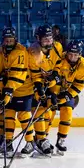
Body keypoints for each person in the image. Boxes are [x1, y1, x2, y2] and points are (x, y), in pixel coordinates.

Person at [0, 27, 35, 157]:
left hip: (23, 89)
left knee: (24, 116)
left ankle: (30, 143)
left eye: (11, 40)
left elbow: (17, 75)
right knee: (8, 116)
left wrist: (7, 91)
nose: (9, 42)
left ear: (15, 40)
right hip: (8, 89)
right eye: (7, 40)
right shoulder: (2, 51)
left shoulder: (20, 52)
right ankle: (8, 143)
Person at [50, 40, 84, 155]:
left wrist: (67, 95)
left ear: (80, 54)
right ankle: (42, 139)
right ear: (66, 53)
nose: (72, 57)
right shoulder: (60, 60)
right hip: (52, 90)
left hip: (68, 91)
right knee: (49, 114)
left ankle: (61, 140)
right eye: (70, 54)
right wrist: (55, 94)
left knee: (67, 112)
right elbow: (55, 78)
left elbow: (79, 84)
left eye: (75, 54)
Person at [27, 24, 61, 155]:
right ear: (38, 39)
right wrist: (39, 87)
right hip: (36, 83)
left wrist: (56, 74)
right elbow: (35, 74)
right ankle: (40, 139)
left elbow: (59, 63)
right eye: (45, 39)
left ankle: (42, 136)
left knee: (51, 108)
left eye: (50, 38)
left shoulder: (57, 47)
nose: (49, 41)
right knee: (39, 109)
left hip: (52, 83)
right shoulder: (33, 52)